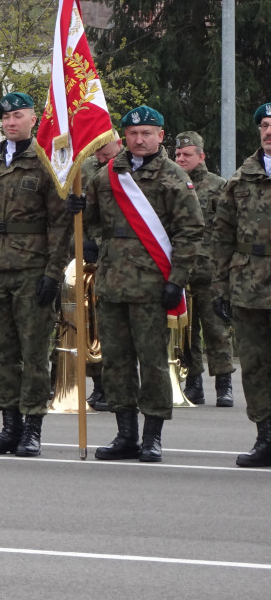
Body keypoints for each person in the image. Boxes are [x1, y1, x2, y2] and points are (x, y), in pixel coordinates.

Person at [75, 105, 203, 462]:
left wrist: (177, 280)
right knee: (116, 362)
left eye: (147, 133)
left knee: (152, 363)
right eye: (132, 134)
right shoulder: (106, 175)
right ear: (123, 138)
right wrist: (77, 208)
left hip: (152, 286)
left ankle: (152, 437)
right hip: (112, 284)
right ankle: (125, 435)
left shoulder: (174, 177)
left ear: (160, 136)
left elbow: (190, 233)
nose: (139, 139)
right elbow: (92, 219)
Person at [0, 92, 70, 456]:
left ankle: (32, 428)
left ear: (33, 118)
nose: (11, 122)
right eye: (6, 117)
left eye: (18, 116)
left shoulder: (47, 159)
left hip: (32, 269)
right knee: (2, 352)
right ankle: (9, 426)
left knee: (34, 352)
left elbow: (60, 224)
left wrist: (53, 274)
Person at [211, 103, 271, 467]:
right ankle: (265, 437)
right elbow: (222, 236)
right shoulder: (240, 179)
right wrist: (220, 287)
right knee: (255, 364)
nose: (269, 131)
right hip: (249, 285)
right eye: (264, 125)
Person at [173, 131, 234, 407]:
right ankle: (193, 382)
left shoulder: (218, 185)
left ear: (201, 156)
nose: (181, 158)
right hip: (181, 270)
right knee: (185, 331)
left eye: (187, 154)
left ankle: (224, 384)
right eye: (178, 154)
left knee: (215, 329)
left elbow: (227, 229)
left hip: (209, 270)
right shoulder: (172, 184)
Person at [75, 136, 123, 411]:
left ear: (117, 141)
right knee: (89, 325)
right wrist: (80, 241)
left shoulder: (130, 169)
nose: (100, 159)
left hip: (119, 259)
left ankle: (116, 389)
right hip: (89, 258)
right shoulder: (85, 168)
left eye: (104, 153)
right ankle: (100, 386)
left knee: (111, 329)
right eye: (97, 154)